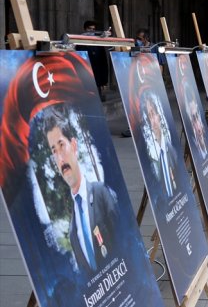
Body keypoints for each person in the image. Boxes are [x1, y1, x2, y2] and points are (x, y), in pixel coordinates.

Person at [43, 107, 118, 273]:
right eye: (54, 151)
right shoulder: (72, 232)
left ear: (74, 146)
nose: (60, 158)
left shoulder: (101, 194)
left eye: (61, 145)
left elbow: (124, 240)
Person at [144, 95, 177, 198]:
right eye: (149, 116)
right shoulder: (151, 156)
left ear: (159, 115)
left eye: (153, 114)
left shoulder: (172, 151)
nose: (152, 121)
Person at [80, 21, 111, 101]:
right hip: (84, 76)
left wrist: (104, 81)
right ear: (85, 29)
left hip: (96, 77)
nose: (91, 31)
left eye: (93, 29)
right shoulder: (79, 41)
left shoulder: (98, 43)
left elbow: (103, 62)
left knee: (98, 99)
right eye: (89, 29)